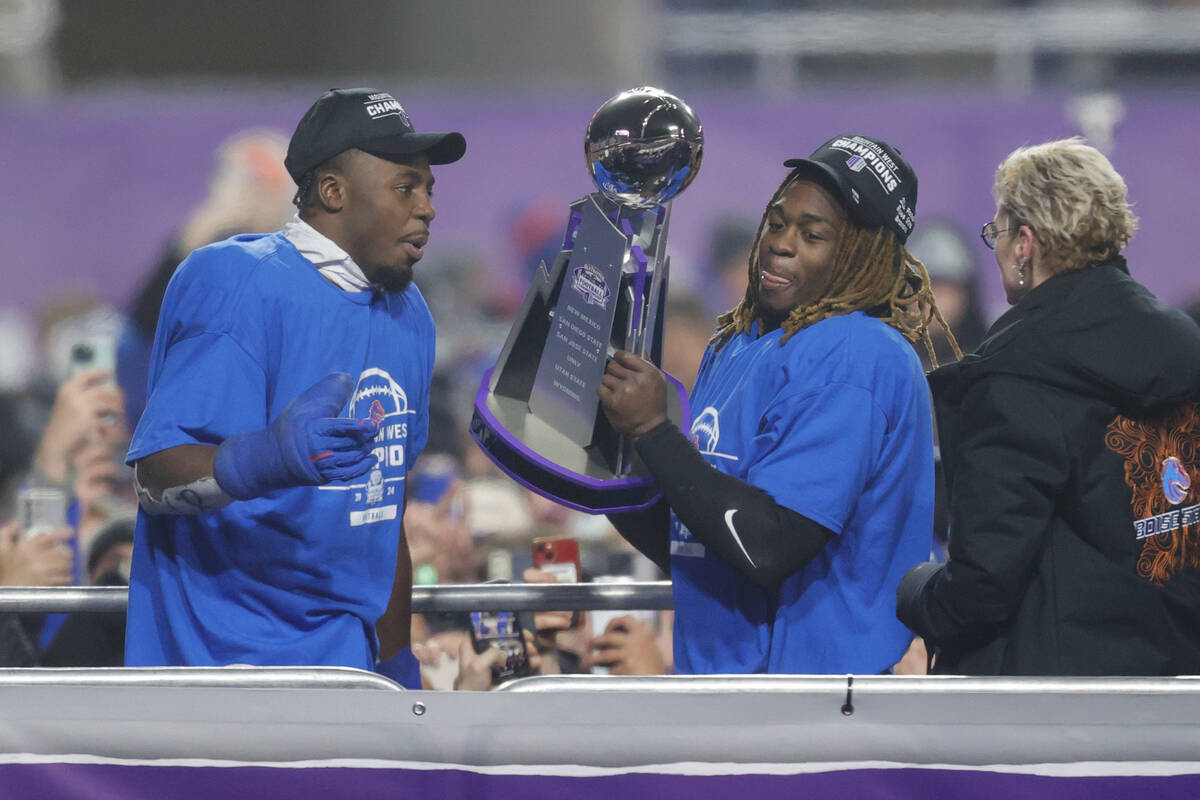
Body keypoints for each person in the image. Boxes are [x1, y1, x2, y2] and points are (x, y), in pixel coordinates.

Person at [124, 88, 465, 688]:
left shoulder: (409, 312)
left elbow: (384, 515)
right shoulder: (236, 281)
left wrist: (395, 669)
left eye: (429, 189)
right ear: (333, 192)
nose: (428, 208)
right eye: (405, 186)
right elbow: (154, 479)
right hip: (220, 671)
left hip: (346, 668)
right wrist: (266, 459)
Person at [598, 134, 954, 674]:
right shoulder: (734, 345)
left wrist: (653, 431)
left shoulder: (857, 352)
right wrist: (609, 457)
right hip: (727, 692)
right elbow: (697, 541)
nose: (780, 243)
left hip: (814, 705)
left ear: (861, 254)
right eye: (777, 221)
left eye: (813, 235)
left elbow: (769, 546)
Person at [896, 137, 1200, 675]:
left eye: (998, 232)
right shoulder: (1184, 344)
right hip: (1177, 684)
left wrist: (914, 593)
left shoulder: (1014, 371)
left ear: (1025, 244)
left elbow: (984, 583)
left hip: (1049, 705)